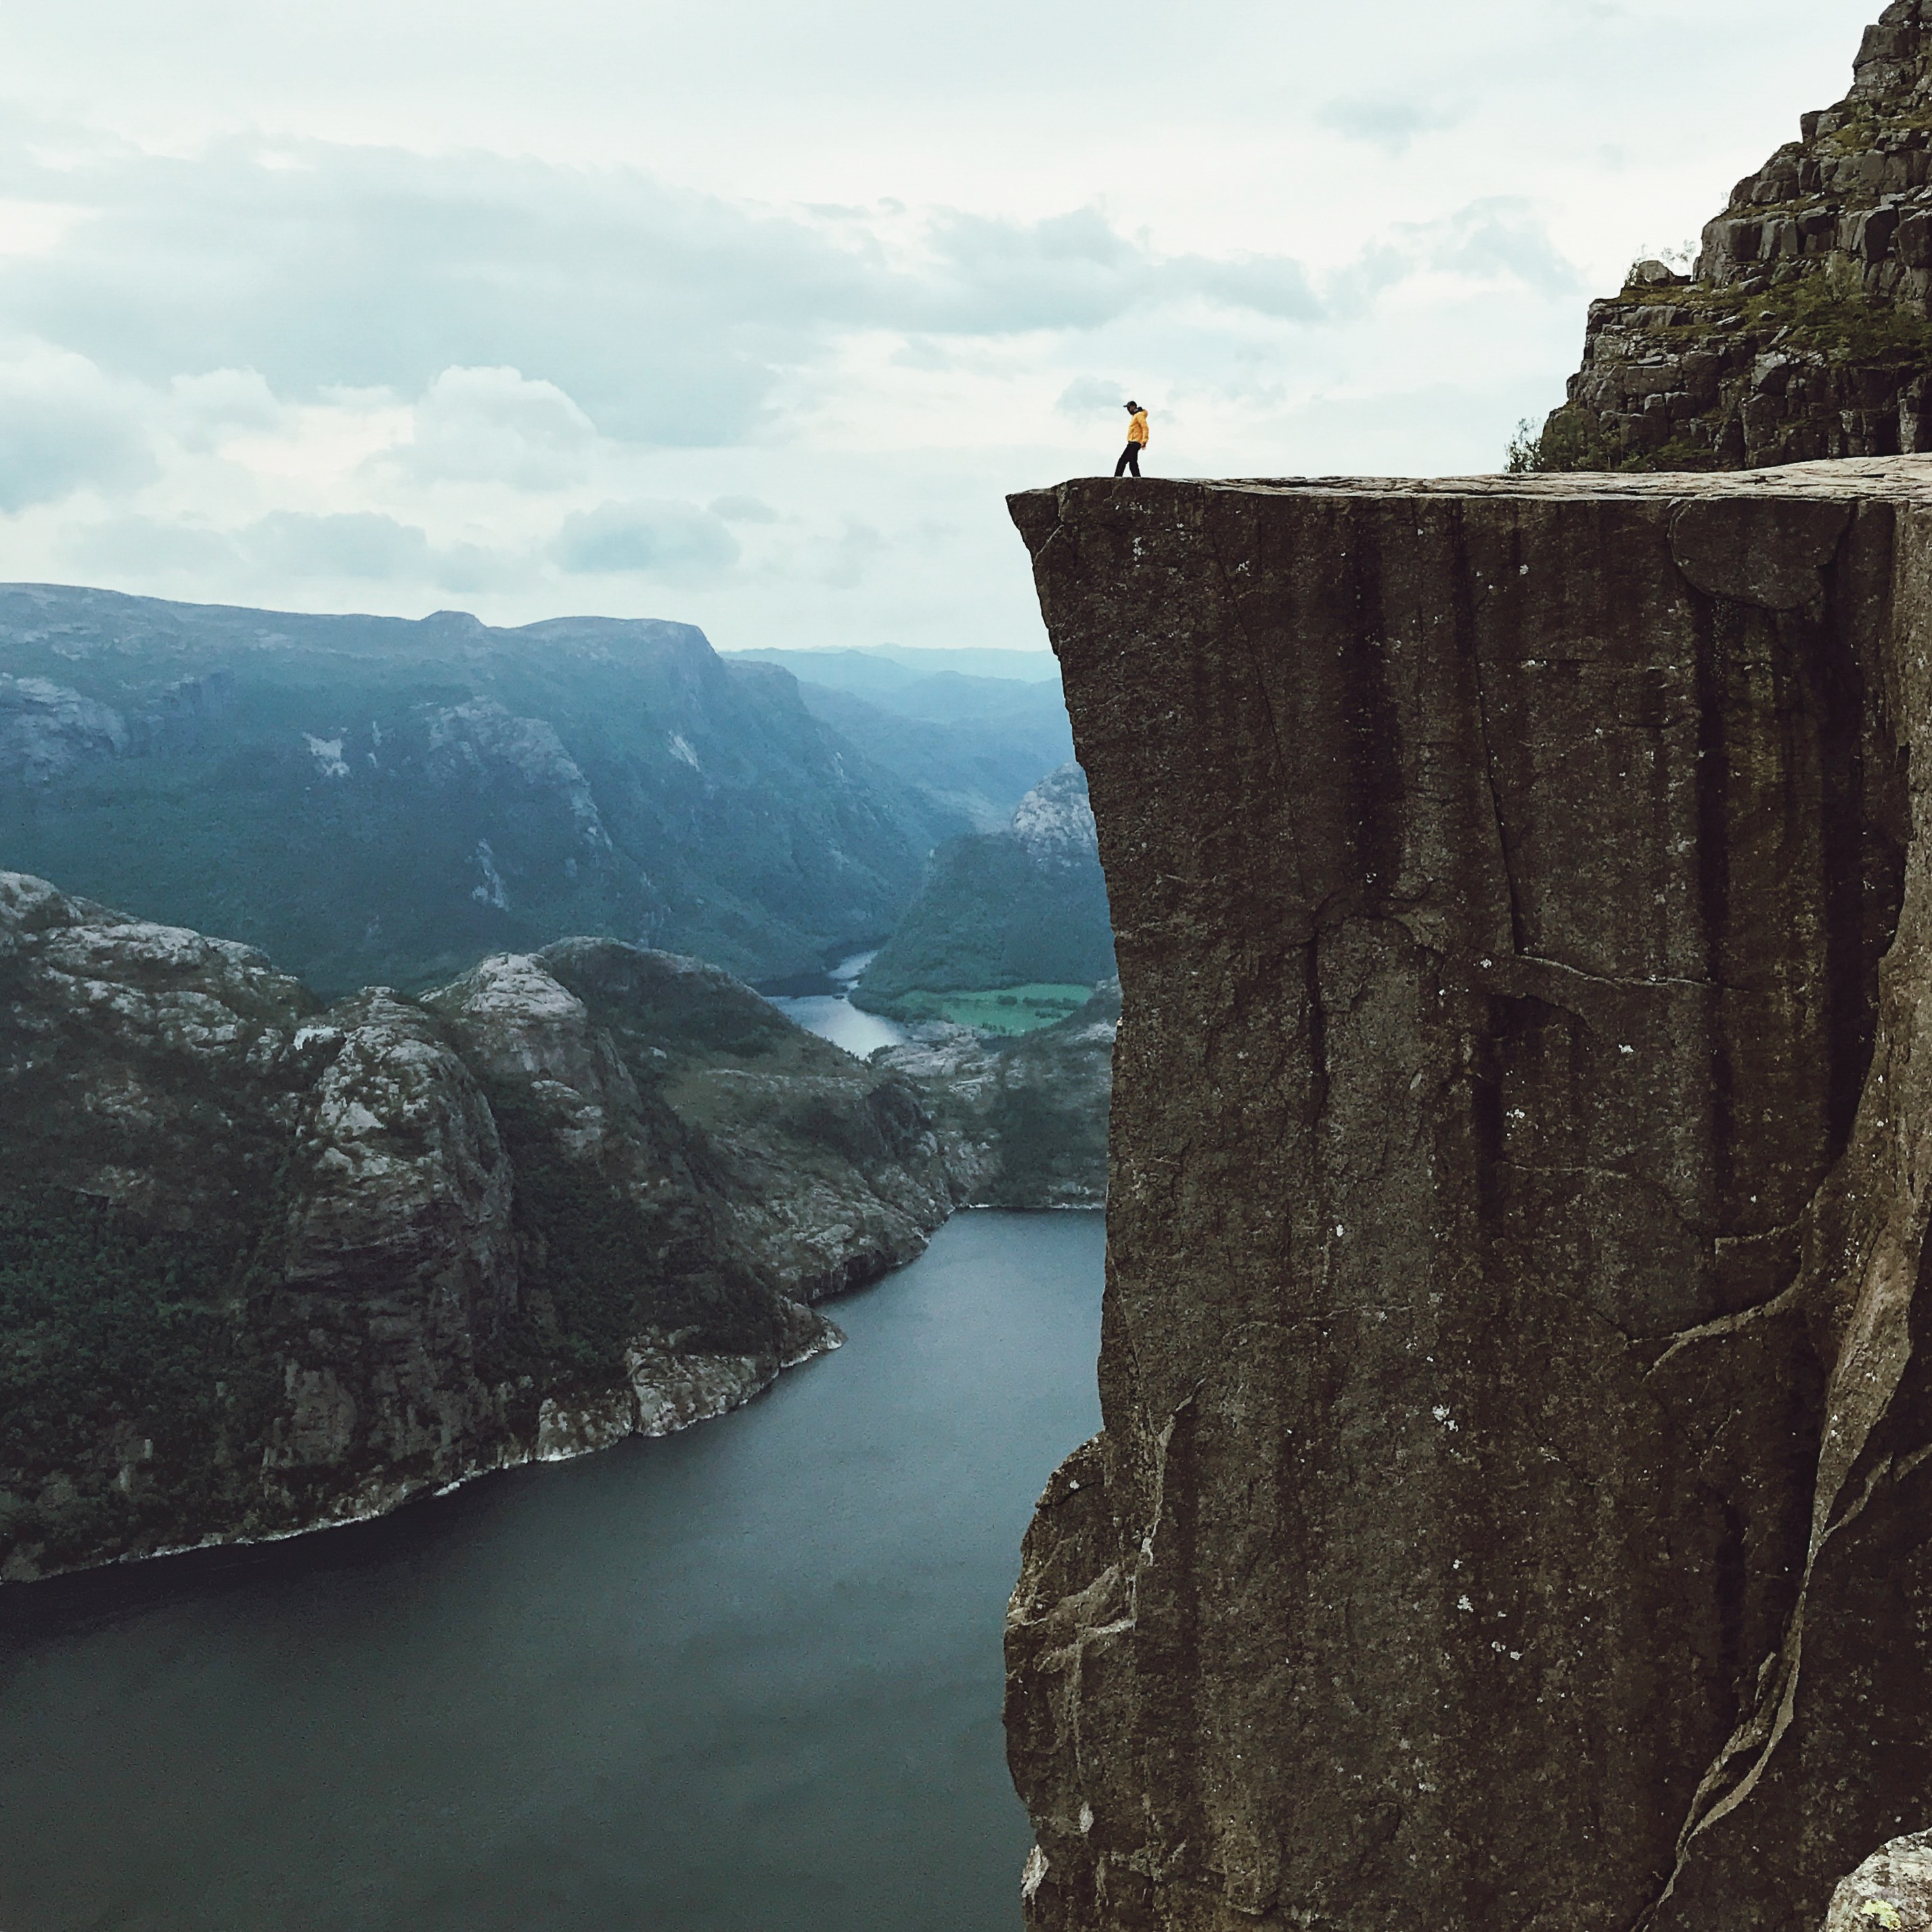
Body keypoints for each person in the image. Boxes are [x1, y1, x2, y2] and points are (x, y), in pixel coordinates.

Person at [1115, 400, 1149, 477]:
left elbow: (1145, 428)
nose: (1128, 410)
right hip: (1134, 442)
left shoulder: (1139, 415)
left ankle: (1117, 478)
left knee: (1122, 461)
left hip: (1135, 443)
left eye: (1129, 408)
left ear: (1134, 407)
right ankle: (1138, 479)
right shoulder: (1135, 416)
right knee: (1133, 463)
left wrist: (1144, 440)